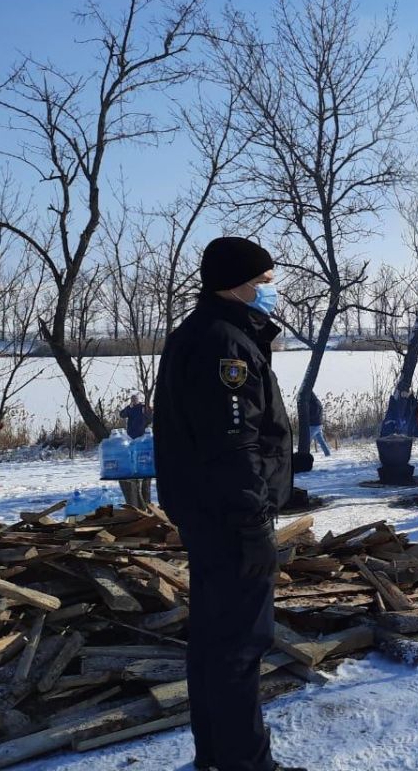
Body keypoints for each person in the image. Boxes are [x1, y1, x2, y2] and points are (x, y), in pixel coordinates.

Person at [154, 236, 304, 771]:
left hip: (208, 510)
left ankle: (216, 758)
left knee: (215, 643)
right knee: (242, 645)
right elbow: (232, 443)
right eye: (264, 283)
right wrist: (254, 520)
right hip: (229, 517)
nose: (271, 291)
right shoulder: (225, 343)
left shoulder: (203, 333)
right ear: (236, 283)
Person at [305, 390, 332, 457]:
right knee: (321, 441)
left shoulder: (312, 404)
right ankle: (328, 454)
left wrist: (307, 417)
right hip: (319, 424)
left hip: (313, 425)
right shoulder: (318, 402)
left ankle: (303, 456)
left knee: (306, 442)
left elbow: (313, 414)